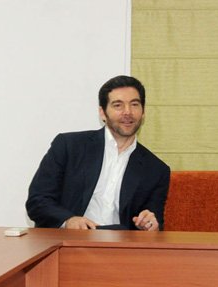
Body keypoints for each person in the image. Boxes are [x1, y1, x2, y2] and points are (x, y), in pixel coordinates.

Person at [26, 75, 170, 231]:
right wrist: (68, 220)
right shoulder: (69, 146)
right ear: (102, 113)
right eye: (118, 105)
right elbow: (38, 201)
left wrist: (150, 224)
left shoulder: (156, 169)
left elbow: (154, 221)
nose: (128, 112)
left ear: (143, 112)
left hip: (121, 242)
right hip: (70, 239)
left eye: (134, 104)